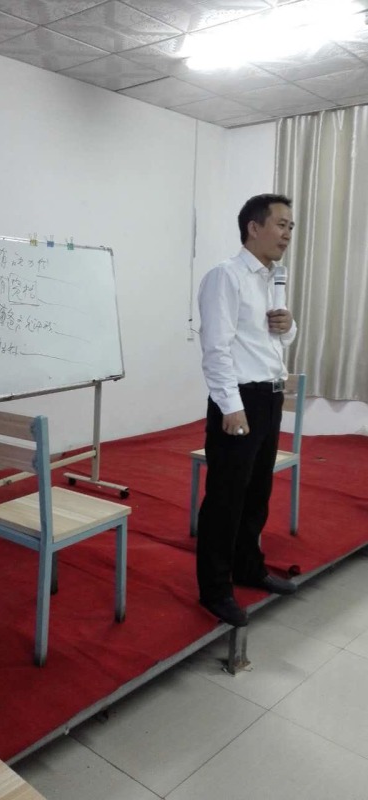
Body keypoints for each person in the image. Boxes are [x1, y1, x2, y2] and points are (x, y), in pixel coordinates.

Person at [197, 193, 298, 628]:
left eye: (291, 227)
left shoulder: (272, 278)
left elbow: (276, 340)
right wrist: (231, 406)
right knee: (226, 497)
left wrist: (289, 326)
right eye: (280, 224)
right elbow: (216, 349)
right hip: (239, 401)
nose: (287, 234)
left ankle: (248, 568)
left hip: (270, 398)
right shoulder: (226, 276)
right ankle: (215, 589)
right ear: (254, 227)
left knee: (257, 492)